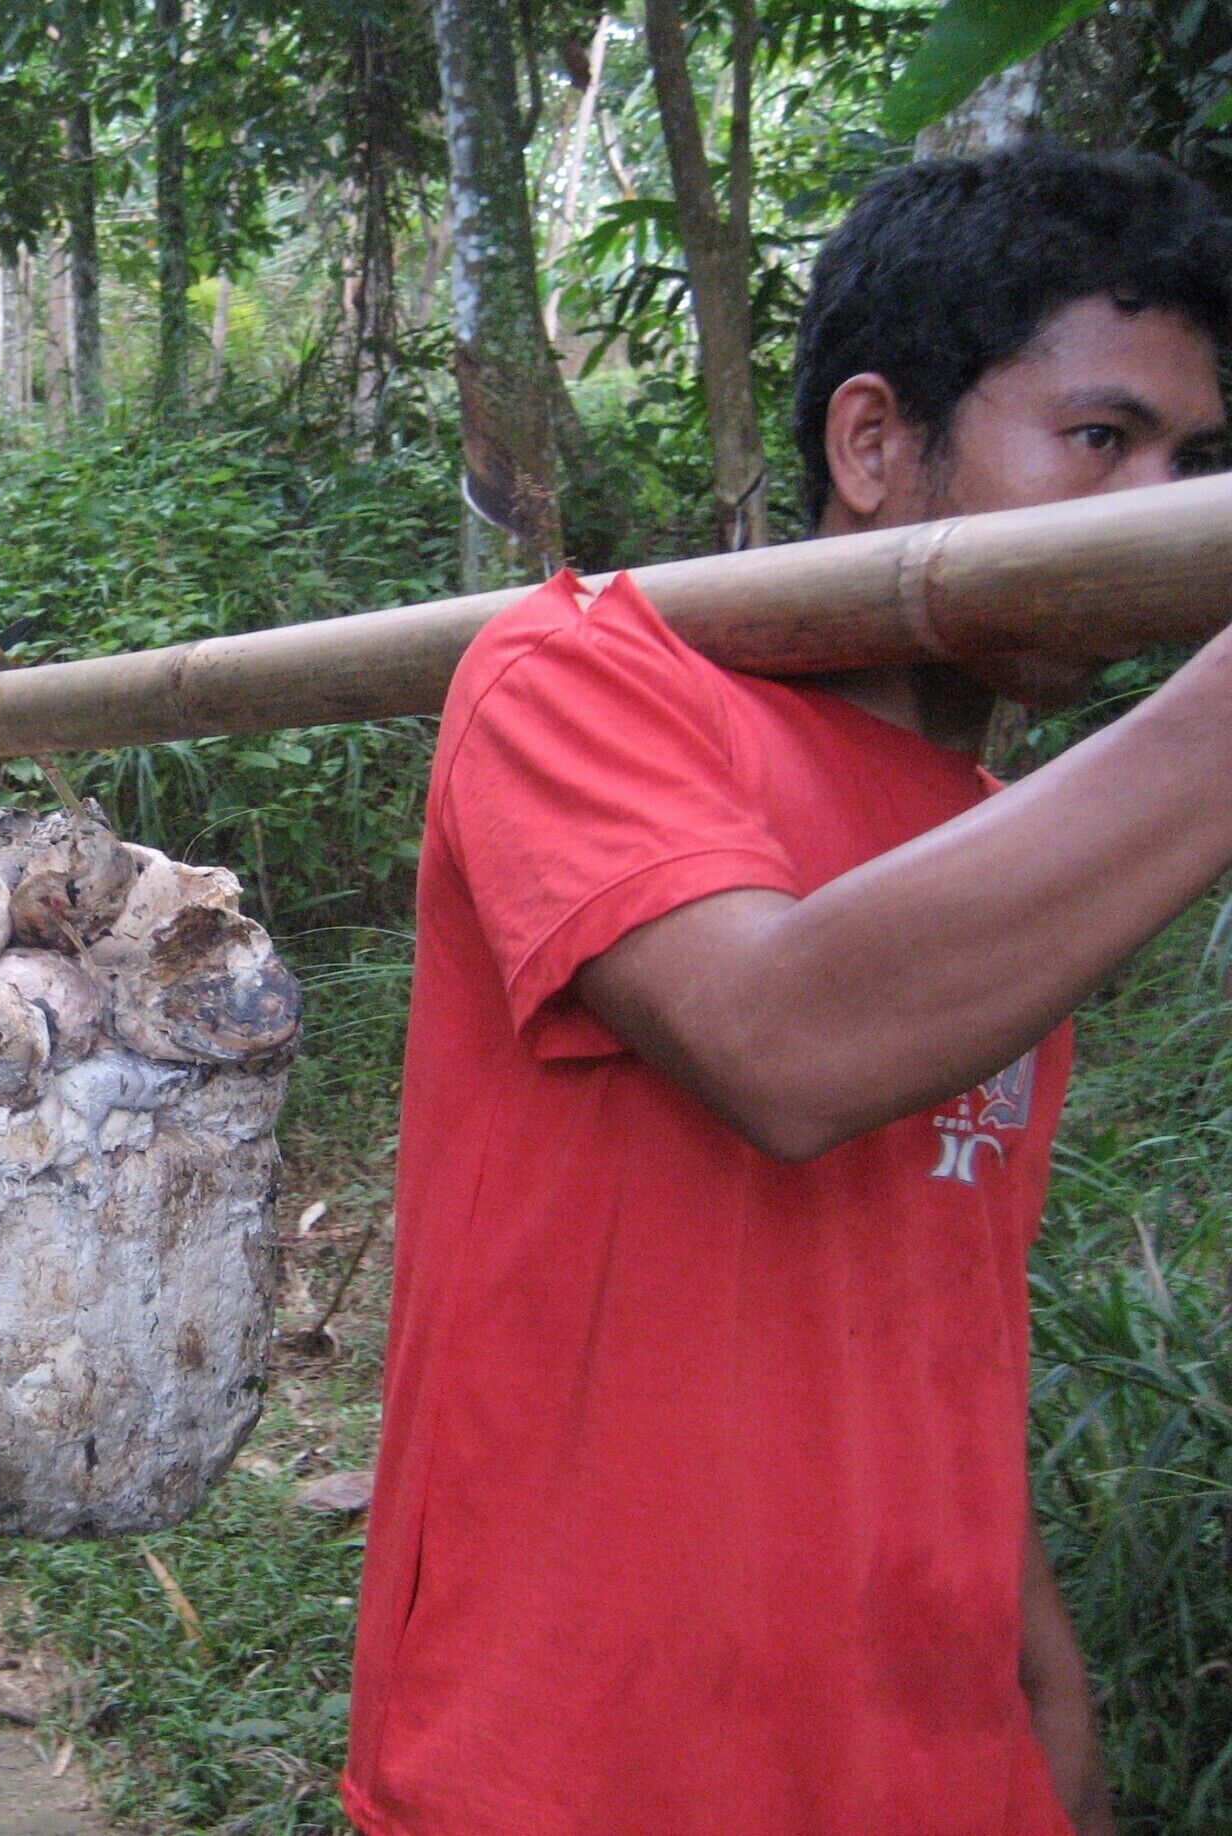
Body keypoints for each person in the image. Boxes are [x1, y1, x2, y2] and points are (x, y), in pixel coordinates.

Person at [343, 143, 1232, 1835]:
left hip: (924, 1760)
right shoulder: (582, 675)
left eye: (1194, 461)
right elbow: (784, 1042)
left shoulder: (1000, 841)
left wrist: (1035, 1694)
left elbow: (920, 1316)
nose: (1163, 511)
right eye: (1101, 440)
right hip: (584, 1766)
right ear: (875, 442)